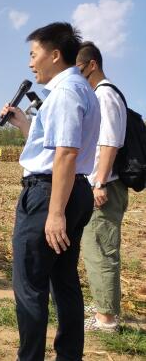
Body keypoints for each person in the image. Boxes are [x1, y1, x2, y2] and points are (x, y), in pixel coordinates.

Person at [0, 22, 100, 361]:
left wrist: (55, 212)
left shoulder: (66, 92)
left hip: (49, 194)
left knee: (30, 286)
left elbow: (66, 152)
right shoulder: (81, 89)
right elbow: (53, 145)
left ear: (55, 55)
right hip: (72, 190)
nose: (30, 63)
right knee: (64, 281)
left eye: (34, 54)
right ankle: (69, 355)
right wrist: (23, 124)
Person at [76, 42, 128, 333]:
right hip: (103, 184)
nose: (77, 75)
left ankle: (107, 320)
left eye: (79, 69)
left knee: (101, 250)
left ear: (92, 65)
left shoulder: (105, 95)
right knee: (96, 248)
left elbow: (109, 143)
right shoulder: (101, 95)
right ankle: (104, 309)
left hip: (104, 186)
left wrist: (99, 182)